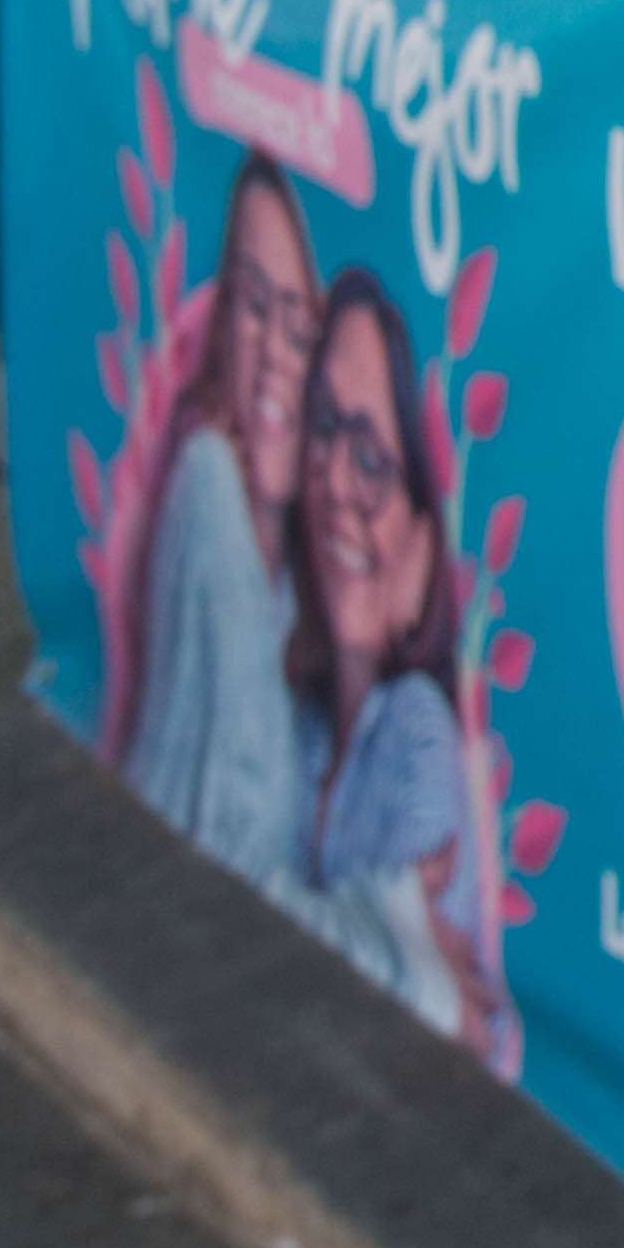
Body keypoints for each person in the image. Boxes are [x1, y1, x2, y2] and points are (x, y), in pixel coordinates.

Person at [112, 159, 319, 890]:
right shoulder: (207, 483)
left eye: (301, 331)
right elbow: (242, 827)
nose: (270, 357)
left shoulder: (305, 571)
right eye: (255, 308)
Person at [275, 271, 472, 1040]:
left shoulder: (418, 734)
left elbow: (380, 1015)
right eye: (324, 430)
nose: (336, 484)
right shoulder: (307, 727)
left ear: (424, 549)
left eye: (374, 462)